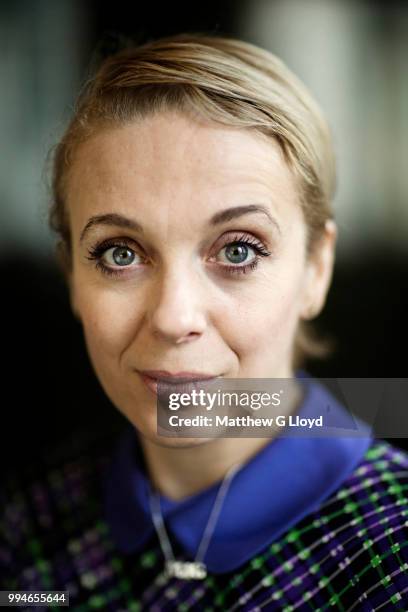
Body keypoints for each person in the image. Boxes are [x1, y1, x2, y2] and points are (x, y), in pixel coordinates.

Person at [1, 32, 407, 611]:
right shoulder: (30, 522)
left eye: (238, 250)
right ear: (71, 276)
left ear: (316, 269)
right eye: (120, 253)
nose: (173, 317)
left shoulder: (396, 556)